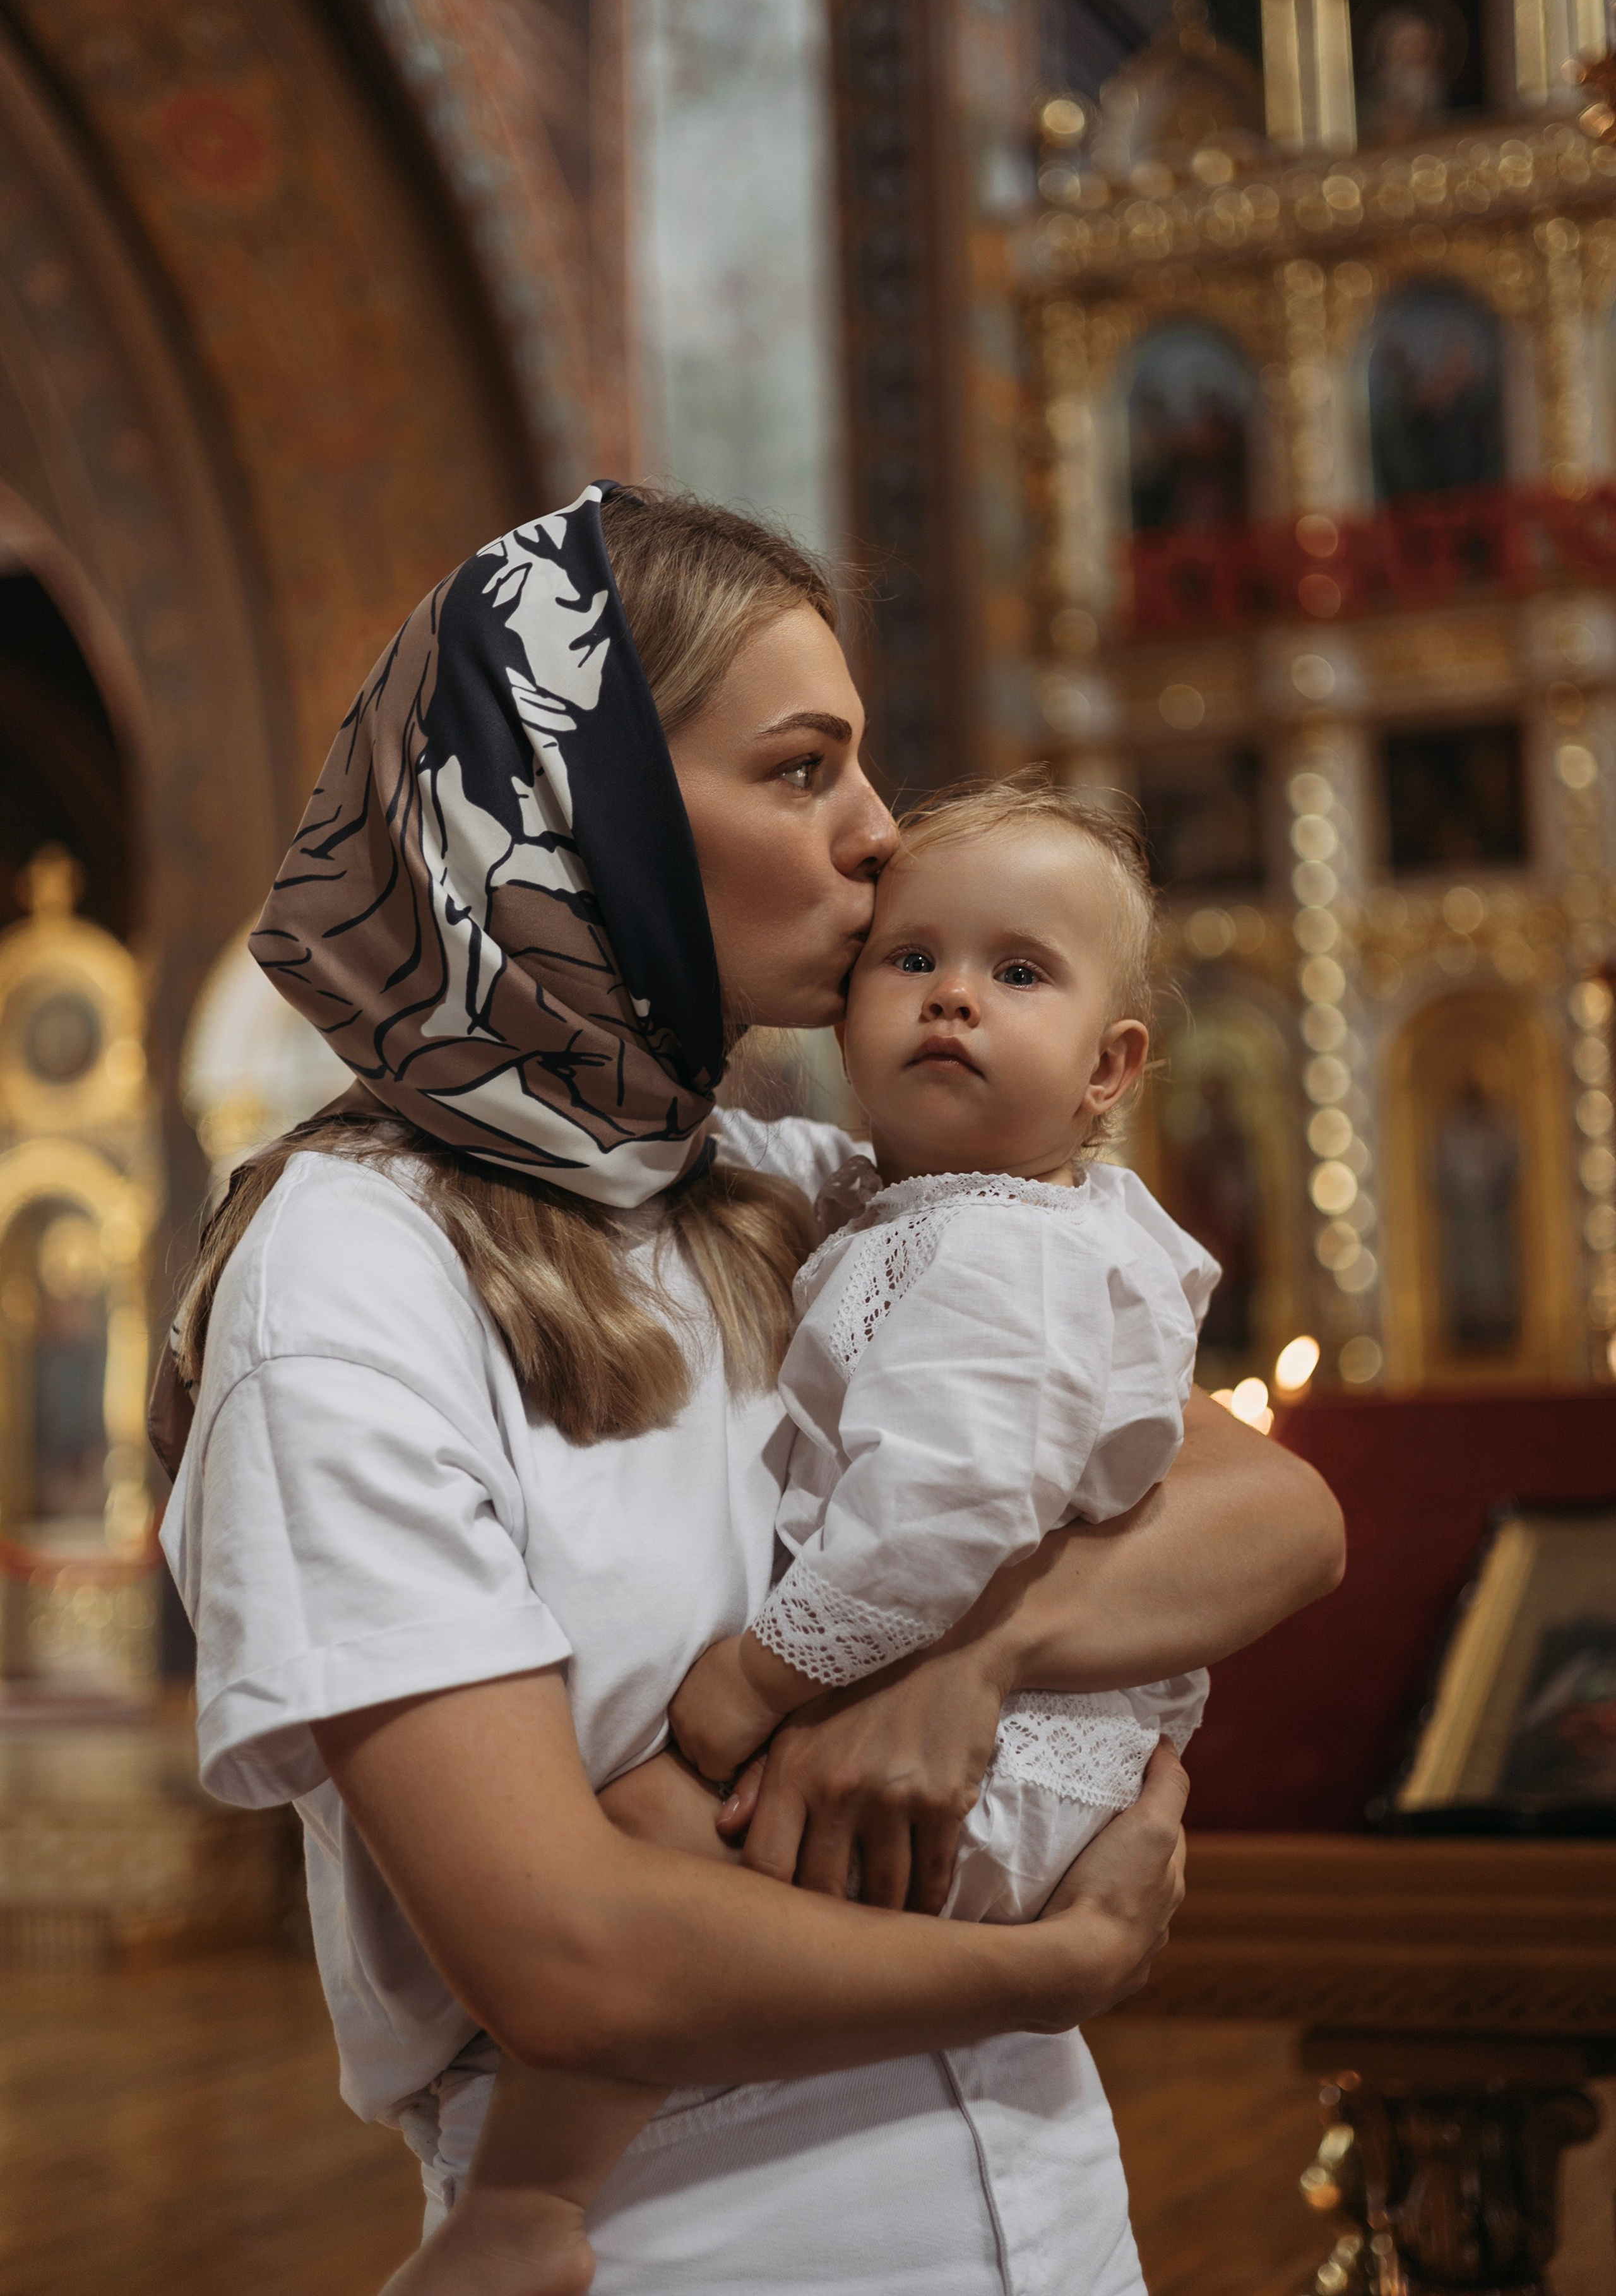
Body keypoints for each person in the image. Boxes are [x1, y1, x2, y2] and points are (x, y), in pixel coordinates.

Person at [157, 483, 1344, 2296]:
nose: (882, 840)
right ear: (586, 816)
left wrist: (974, 1658)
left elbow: (1276, 1513)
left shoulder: (795, 1187)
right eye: (803, 771)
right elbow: (566, 1955)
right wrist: (1051, 1966)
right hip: (686, 2239)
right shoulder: (351, 1275)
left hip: (1045, 2205)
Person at [438, 769, 1227, 2295]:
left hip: (1000, 1770)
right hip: (990, 1743)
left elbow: (939, 1521)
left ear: (1106, 1066)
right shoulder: (898, 1206)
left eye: (1015, 974)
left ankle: (524, 2206)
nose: (949, 1001)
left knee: (649, 1846)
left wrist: (754, 1683)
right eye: (909, 960)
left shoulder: (1004, 1253)